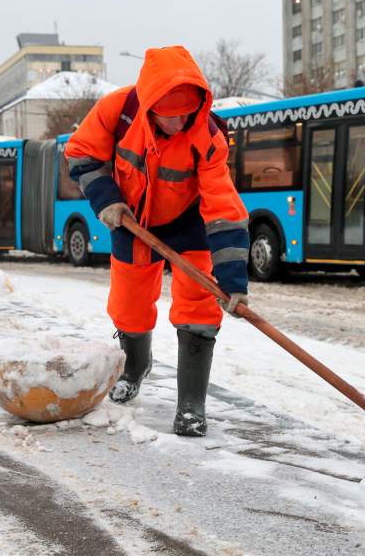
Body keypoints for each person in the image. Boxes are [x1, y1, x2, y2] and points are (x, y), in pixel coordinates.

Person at [65, 45, 250, 437]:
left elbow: (223, 206)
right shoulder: (118, 111)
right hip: (133, 220)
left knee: (199, 307)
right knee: (128, 305)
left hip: (189, 222)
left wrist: (232, 283)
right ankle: (135, 366)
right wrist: (108, 200)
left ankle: (191, 406)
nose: (179, 122)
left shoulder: (208, 136)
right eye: (169, 116)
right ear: (150, 106)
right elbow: (80, 154)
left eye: (186, 113)